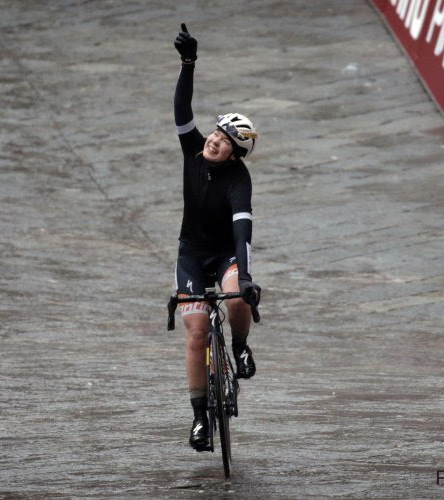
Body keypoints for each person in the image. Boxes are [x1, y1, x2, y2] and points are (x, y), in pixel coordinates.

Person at [172, 23, 262, 452]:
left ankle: (241, 348)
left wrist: (245, 277)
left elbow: (242, 228)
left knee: (239, 297)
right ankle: (198, 421)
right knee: (194, 333)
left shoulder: (239, 181)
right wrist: (189, 64)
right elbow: (182, 111)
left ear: (235, 154)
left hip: (225, 253)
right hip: (192, 253)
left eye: (225, 141)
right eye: (215, 132)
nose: (214, 140)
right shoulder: (193, 150)